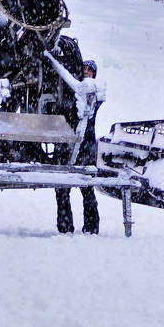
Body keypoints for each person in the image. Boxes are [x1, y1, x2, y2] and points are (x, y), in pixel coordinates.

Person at [56, 59, 103, 234]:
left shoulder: (93, 93)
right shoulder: (70, 91)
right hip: (67, 144)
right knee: (62, 187)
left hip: (87, 146)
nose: (86, 72)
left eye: (90, 70)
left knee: (87, 187)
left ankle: (91, 227)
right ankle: (65, 227)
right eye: (84, 68)